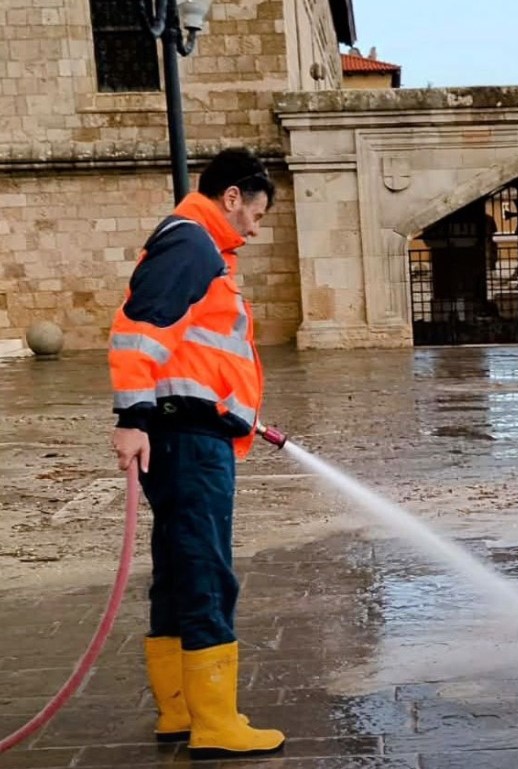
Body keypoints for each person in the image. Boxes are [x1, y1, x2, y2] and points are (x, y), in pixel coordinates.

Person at [108, 147, 284, 759]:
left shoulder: (194, 247)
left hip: (189, 430)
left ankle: (178, 712)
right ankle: (216, 723)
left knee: (181, 568)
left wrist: (233, 403)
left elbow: (194, 350)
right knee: (207, 570)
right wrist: (132, 418)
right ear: (232, 196)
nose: (255, 230)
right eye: (256, 214)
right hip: (187, 440)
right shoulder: (193, 243)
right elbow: (138, 329)